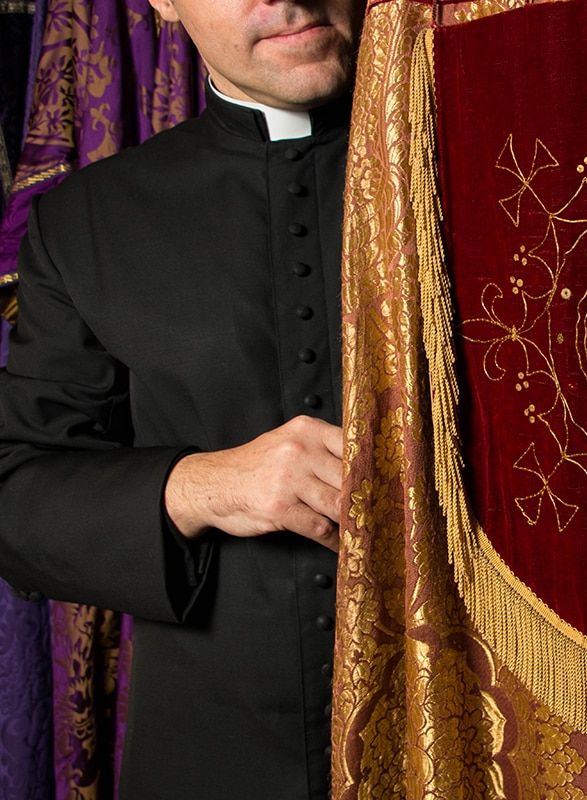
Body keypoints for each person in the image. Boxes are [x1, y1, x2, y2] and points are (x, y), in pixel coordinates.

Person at [0, 0, 364, 796]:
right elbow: (16, 502)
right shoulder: (84, 223)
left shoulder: (509, 165)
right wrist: (206, 485)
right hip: (209, 759)